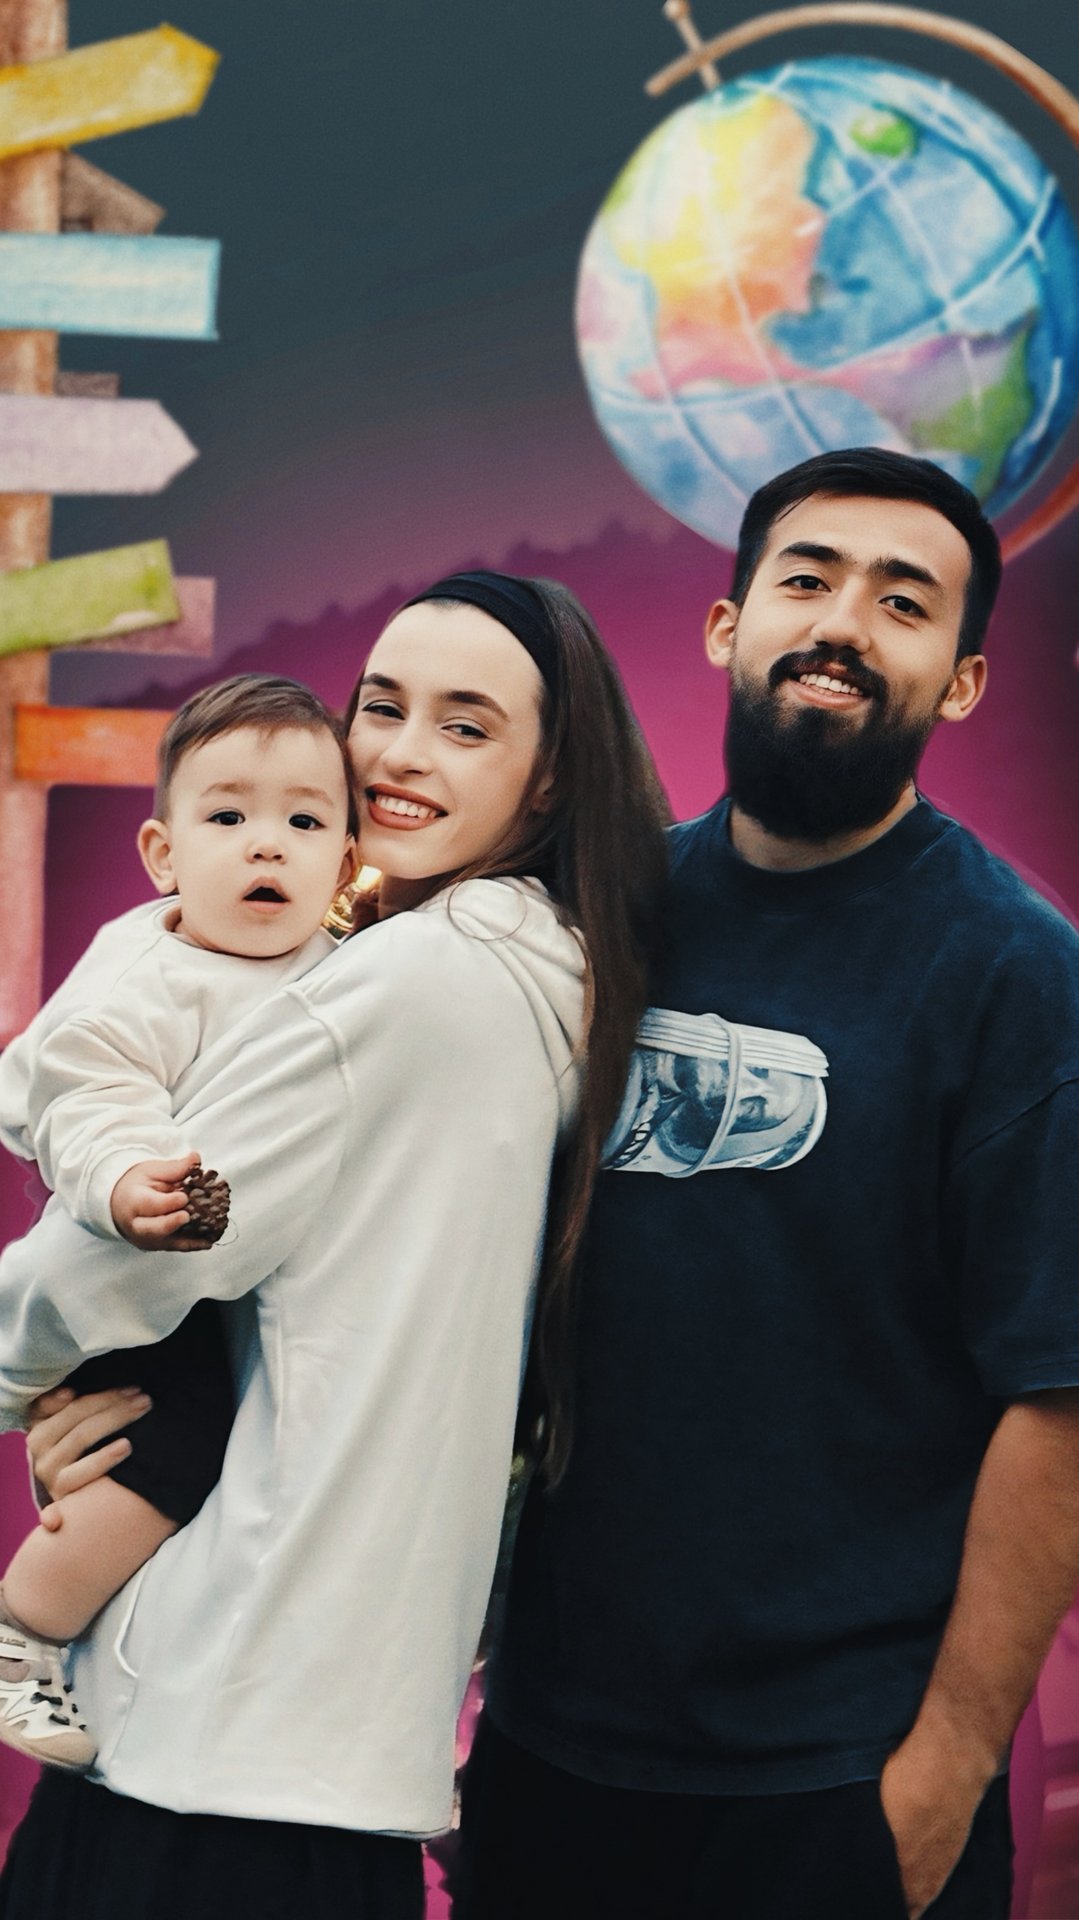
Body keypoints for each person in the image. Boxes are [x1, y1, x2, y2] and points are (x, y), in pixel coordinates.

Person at [454, 452, 1079, 1920]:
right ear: (727, 627)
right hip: (550, 1756)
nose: (841, 623)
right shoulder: (586, 926)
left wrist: (941, 1772)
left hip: (836, 1784)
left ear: (962, 682)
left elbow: (1056, 1403)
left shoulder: (1017, 977)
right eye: (806, 579)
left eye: (902, 602)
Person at [0, 570, 670, 1920]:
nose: (400, 754)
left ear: (549, 778)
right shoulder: (554, 983)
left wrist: (36, 1384)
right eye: (381, 706)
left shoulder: (402, 985)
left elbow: (129, 1260)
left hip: (206, 1736)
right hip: (341, 1755)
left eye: (465, 725)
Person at [0, 673, 360, 1770]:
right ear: (163, 854)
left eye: (305, 823)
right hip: (148, 1268)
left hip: (261, 1286)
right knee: (162, 1445)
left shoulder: (349, 973)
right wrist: (125, 1184)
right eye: (229, 816)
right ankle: (23, 1629)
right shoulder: (153, 972)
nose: (268, 844)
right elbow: (86, 1092)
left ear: (346, 864)